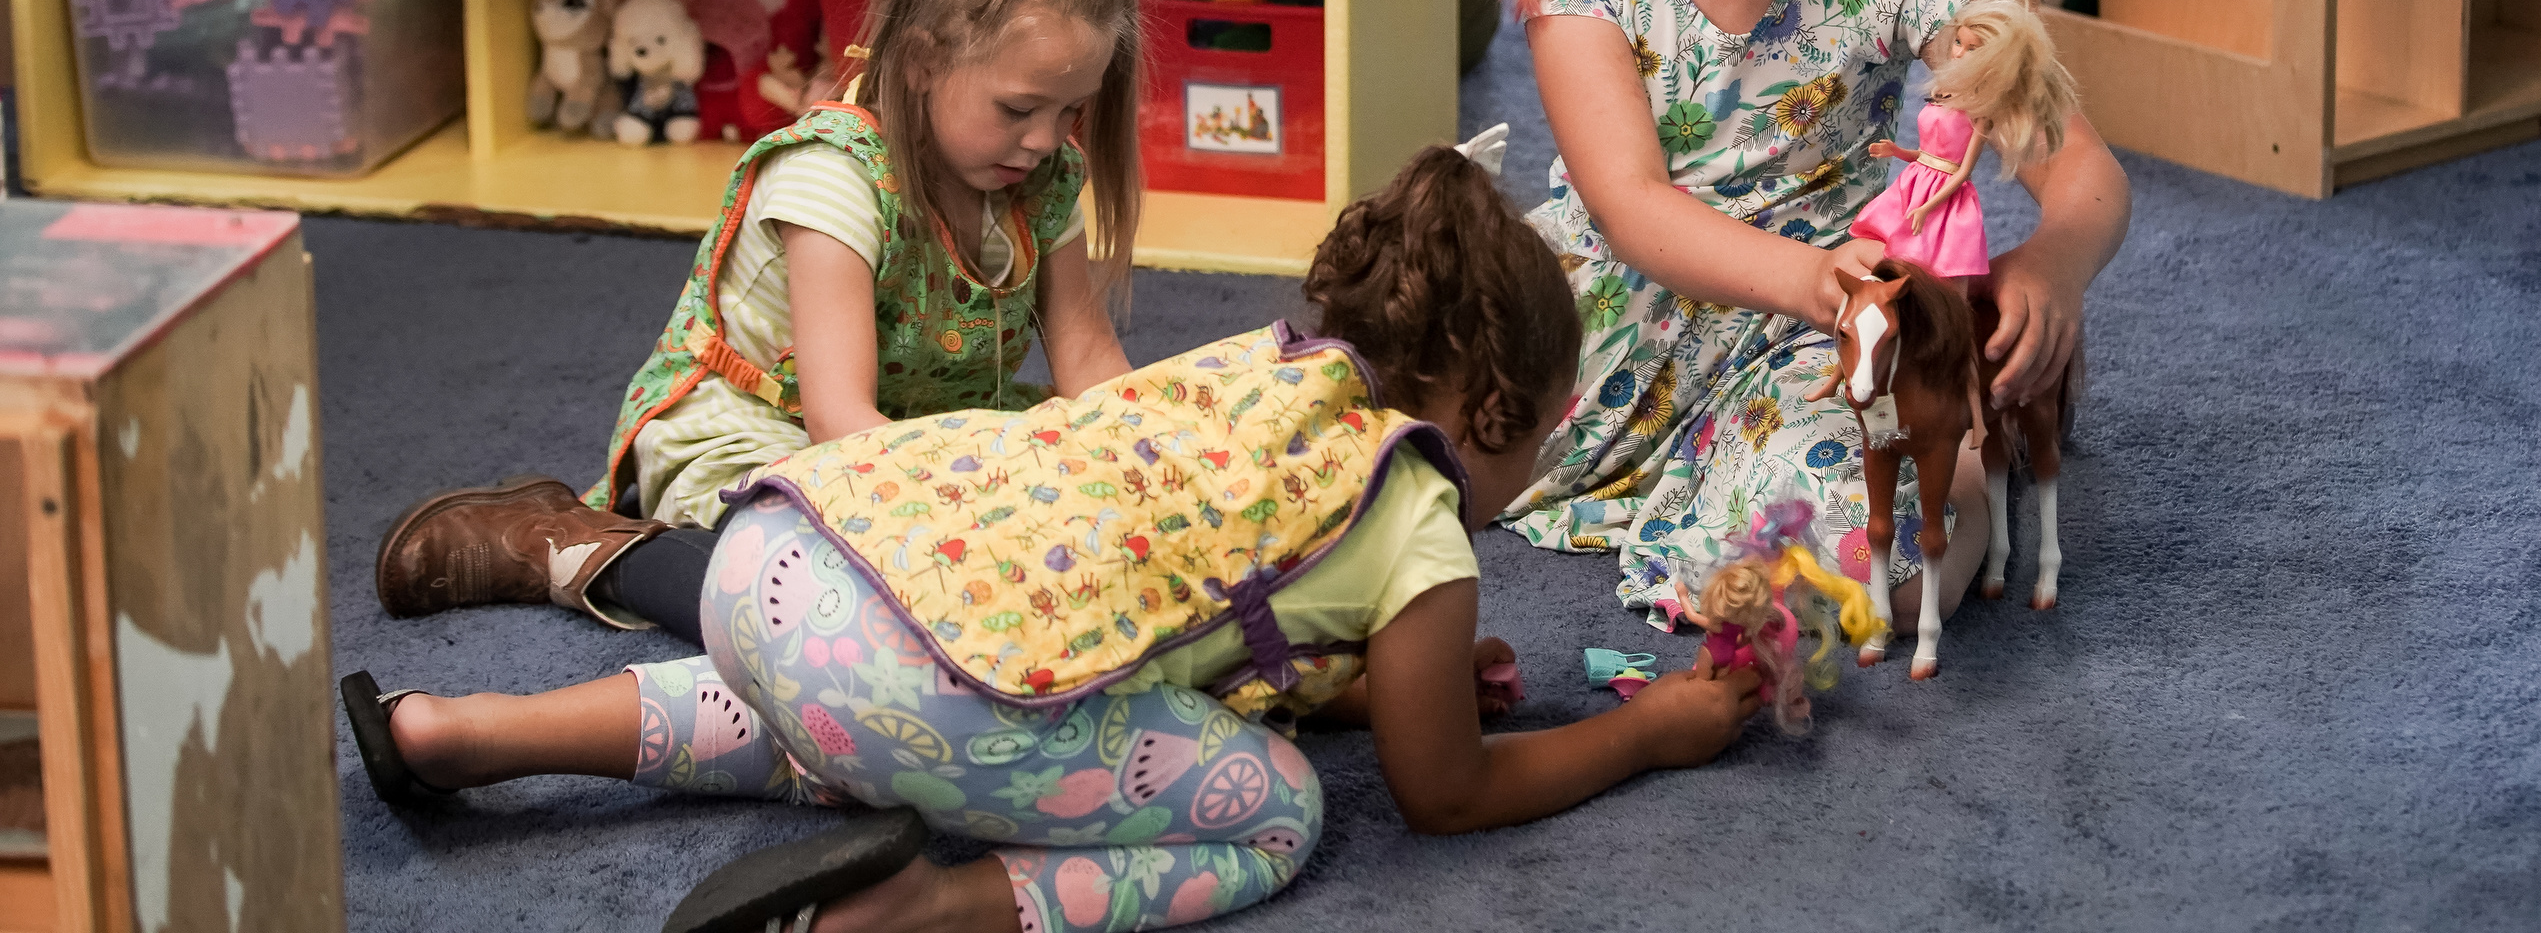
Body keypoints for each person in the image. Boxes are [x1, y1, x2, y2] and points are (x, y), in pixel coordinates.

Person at [338, 145, 1766, 933]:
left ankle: (466, 732)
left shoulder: (1261, 367)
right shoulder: (1421, 530)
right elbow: (1443, 792)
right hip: (909, 687)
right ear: (1502, 411)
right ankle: (928, 915)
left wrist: (1370, 671)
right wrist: (1652, 734)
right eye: (1551, 434)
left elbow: (1211, 608)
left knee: (814, 691)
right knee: (1281, 807)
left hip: (789, 564)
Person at [1472, 0, 2132, 625]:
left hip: (1808, 351)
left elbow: (2084, 166)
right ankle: (1949, 447)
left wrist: (2055, 263)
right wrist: (1817, 279)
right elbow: (1632, 204)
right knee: (1388, 452)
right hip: (1606, 338)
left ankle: (1964, 458)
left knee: (1876, 560)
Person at [373, 0, 1145, 644]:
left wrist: (1149, 463)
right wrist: (972, 510)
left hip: (913, 430)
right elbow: (838, 417)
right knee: (821, 596)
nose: (1048, 138)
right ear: (920, 61)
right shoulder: (833, 175)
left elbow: (1086, 352)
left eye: (1071, 109)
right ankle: (581, 547)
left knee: (1084, 510)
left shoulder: (1040, 173)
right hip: (760, 435)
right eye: (1017, 108)